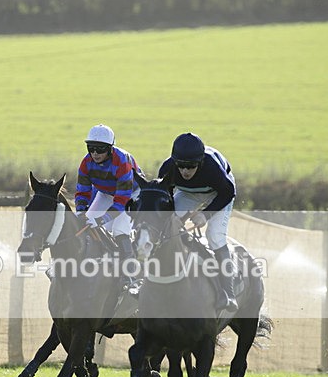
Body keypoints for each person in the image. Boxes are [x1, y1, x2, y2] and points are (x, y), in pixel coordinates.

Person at [157, 132, 238, 312]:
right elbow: (166, 197)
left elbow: (228, 192)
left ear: (200, 162)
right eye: (181, 166)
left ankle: (228, 292)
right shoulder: (167, 169)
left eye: (191, 166)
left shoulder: (212, 168)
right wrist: (172, 218)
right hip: (187, 193)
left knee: (214, 236)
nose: (185, 171)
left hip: (218, 193)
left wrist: (206, 214)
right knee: (167, 227)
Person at [75, 124, 142, 289]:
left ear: (110, 149)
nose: (95, 153)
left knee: (119, 229)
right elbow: (82, 192)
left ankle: (131, 275)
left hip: (131, 195)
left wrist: (103, 218)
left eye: (100, 149)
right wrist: (81, 213)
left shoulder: (122, 161)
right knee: (86, 223)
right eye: (91, 148)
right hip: (106, 193)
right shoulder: (86, 163)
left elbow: (122, 199)